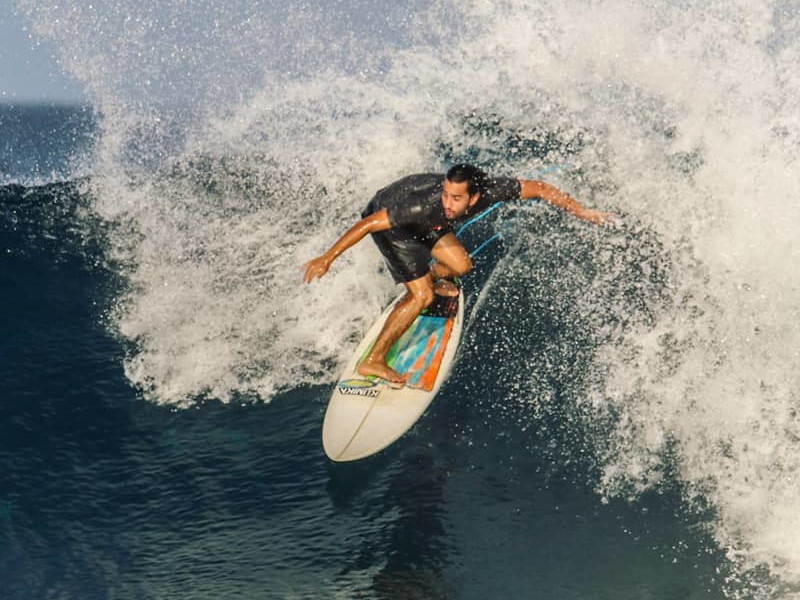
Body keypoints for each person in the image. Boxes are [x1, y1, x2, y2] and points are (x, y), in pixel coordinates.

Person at [303, 164, 611, 385]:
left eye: (456, 198)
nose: (448, 203)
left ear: (475, 197)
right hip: (393, 221)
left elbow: (540, 188)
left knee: (461, 267)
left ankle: (428, 277)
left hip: (427, 223)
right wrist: (326, 258)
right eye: (446, 195)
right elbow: (369, 223)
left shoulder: (491, 190)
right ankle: (374, 360)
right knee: (421, 296)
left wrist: (581, 211)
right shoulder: (425, 205)